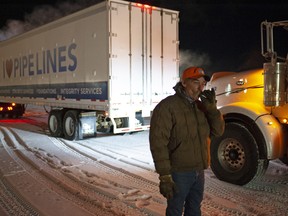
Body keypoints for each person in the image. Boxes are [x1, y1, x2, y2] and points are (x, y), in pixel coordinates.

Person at [149, 66, 225, 216]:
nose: (201, 88)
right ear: (184, 83)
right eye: (196, 83)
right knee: (175, 210)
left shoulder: (201, 107)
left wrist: (212, 110)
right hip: (179, 173)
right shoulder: (167, 107)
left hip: (199, 171)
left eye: (203, 84)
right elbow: (158, 143)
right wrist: (164, 175)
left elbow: (218, 131)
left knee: (194, 209)